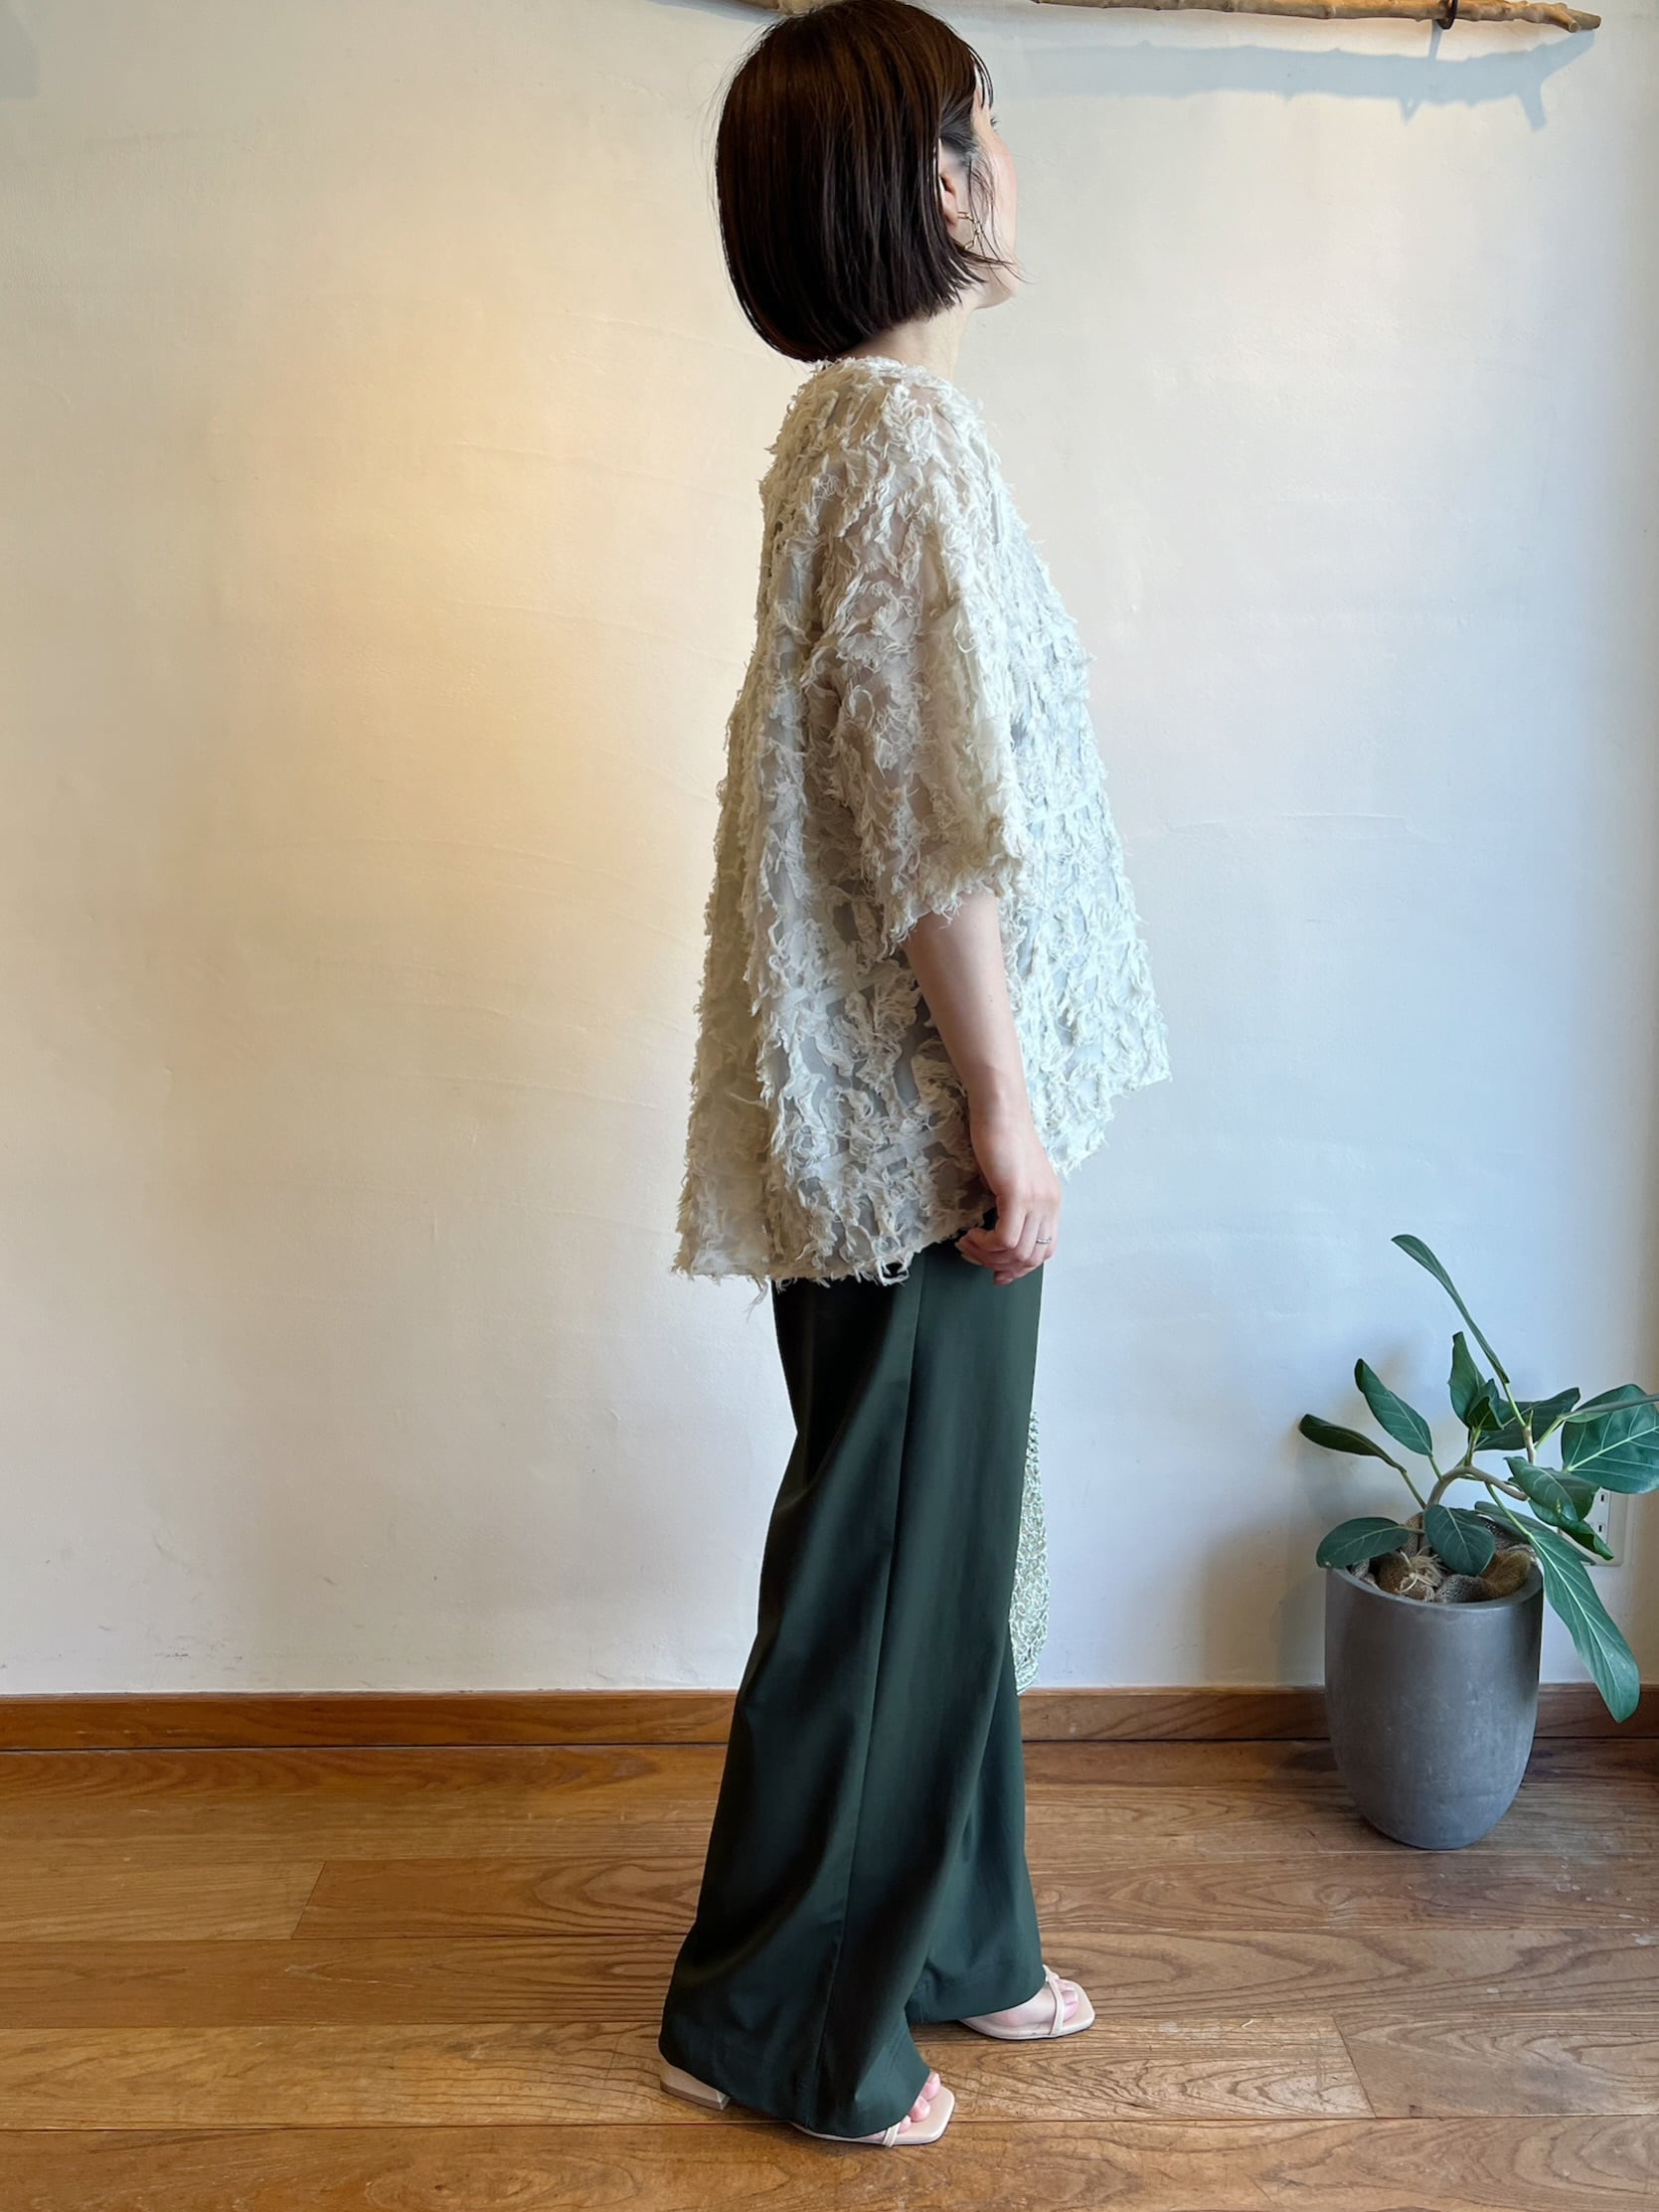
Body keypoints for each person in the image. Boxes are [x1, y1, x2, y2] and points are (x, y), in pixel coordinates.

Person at [657, 0, 1171, 2150]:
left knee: (940, 1548)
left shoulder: (855, 433)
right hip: (909, 1134)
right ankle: (769, 2019)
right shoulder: (891, 443)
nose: (1007, 164)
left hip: (892, 1115)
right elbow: (931, 818)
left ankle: (952, 1931)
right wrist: (999, 1108)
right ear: (926, 180)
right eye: (985, 128)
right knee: (888, 1570)